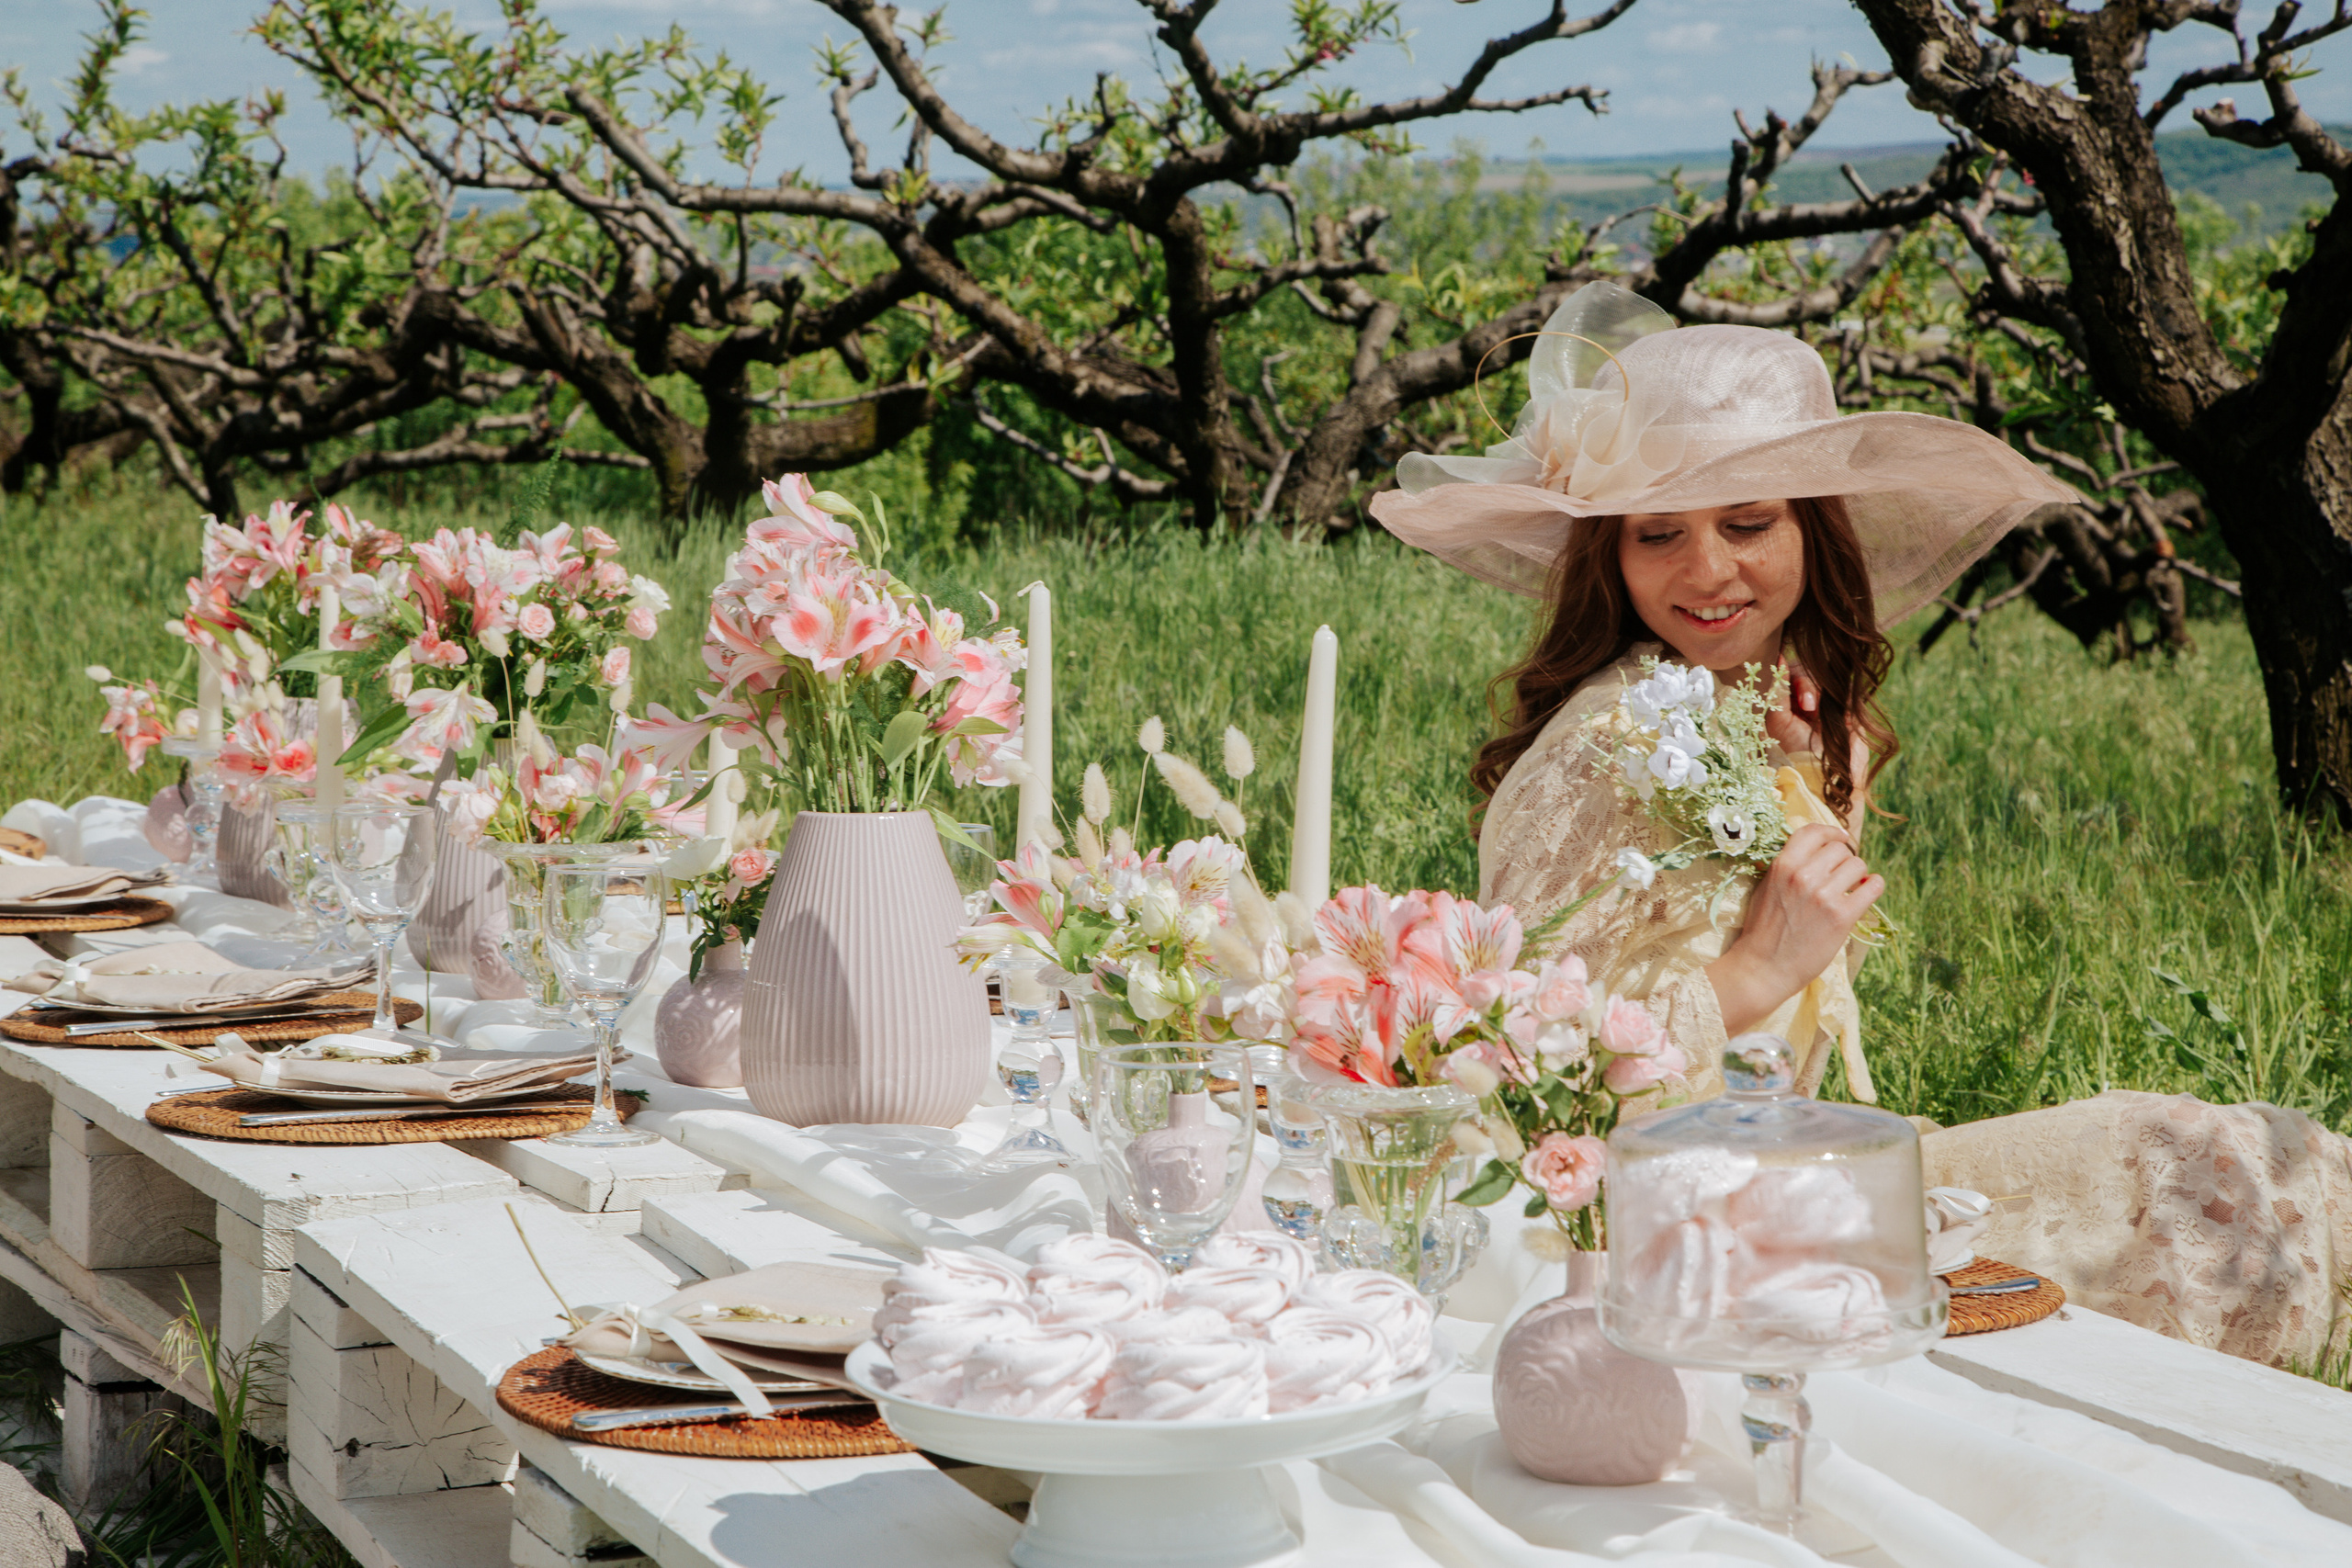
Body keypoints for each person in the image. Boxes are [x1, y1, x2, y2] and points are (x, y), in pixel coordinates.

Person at [1370, 281, 2352, 1369]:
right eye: (1658, 536)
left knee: (2276, 1165)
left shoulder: (1754, 710)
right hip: (1677, 1232)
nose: (1705, 572)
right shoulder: (1601, 748)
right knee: (2211, 1164)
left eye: (1747, 523)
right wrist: (1754, 966)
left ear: (1810, 531)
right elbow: (1523, 1085)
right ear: (1611, 555)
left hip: (1787, 1170)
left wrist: (1815, 786)